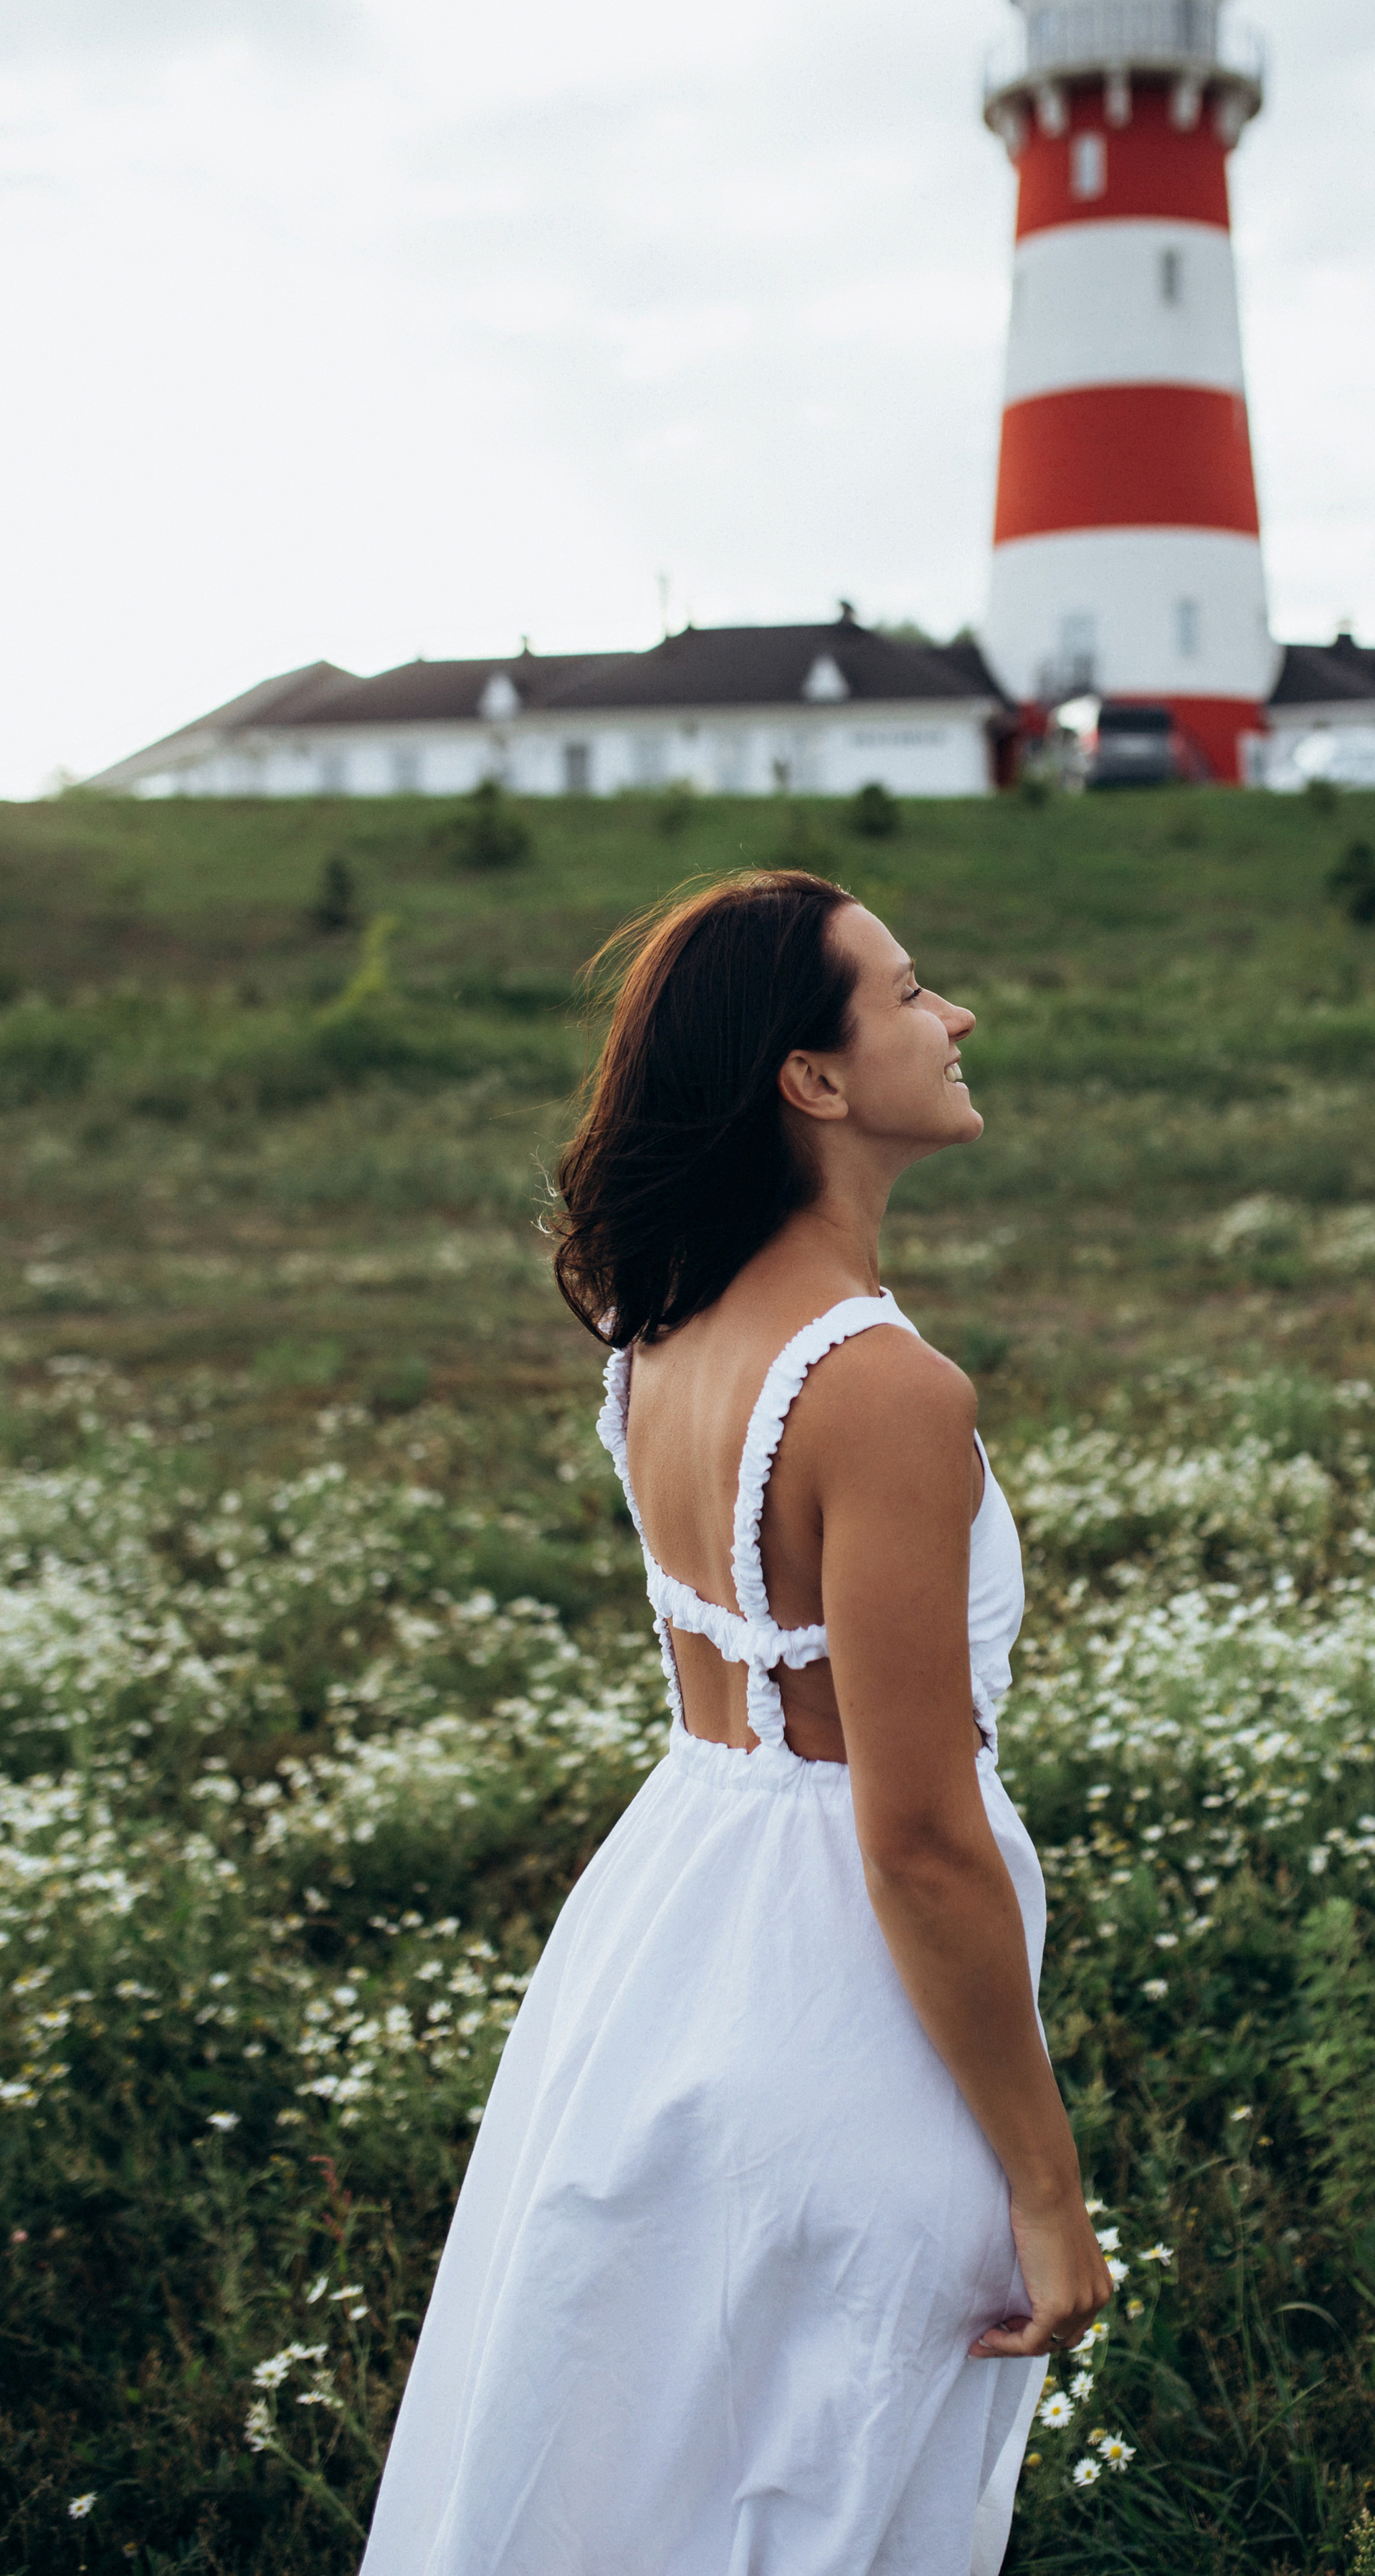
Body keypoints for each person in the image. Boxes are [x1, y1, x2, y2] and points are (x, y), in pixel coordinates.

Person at [358, 869, 1110, 2576]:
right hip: (831, 1997)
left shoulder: (662, 1333)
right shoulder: (885, 1390)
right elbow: (914, 1839)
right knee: (820, 2483)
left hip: (666, 1931)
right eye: (908, 992)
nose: (956, 1016)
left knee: (640, 2460)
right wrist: (1044, 2186)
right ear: (812, 1078)